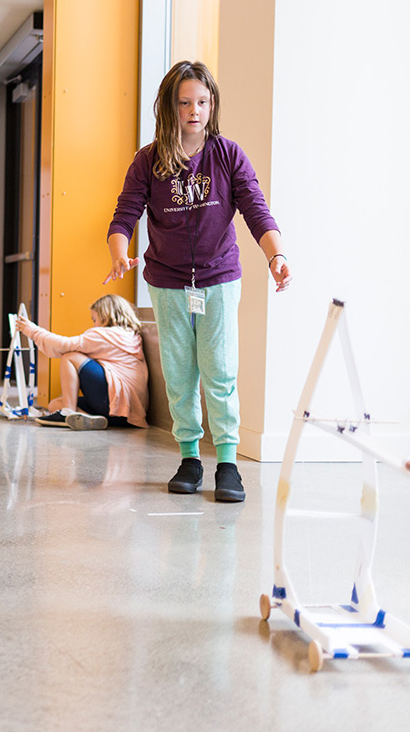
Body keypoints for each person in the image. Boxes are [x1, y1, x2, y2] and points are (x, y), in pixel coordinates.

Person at [104, 60, 292, 503]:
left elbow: (256, 209)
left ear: (212, 105)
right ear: (170, 107)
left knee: (220, 370)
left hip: (219, 277)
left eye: (202, 102)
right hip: (168, 282)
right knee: (180, 372)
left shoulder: (228, 155)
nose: (194, 110)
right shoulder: (149, 160)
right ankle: (189, 455)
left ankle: (227, 461)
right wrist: (118, 254)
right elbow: (124, 214)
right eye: (185, 102)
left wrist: (276, 255)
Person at [13, 294, 149, 432]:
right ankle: (88, 418)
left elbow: (63, 345)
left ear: (105, 316)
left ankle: (69, 412)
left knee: (70, 356)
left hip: (115, 402)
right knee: (55, 405)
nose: (94, 324)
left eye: (95, 319)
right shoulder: (130, 336)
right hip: (127, 413)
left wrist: (32, 330)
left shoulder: (105, 335)